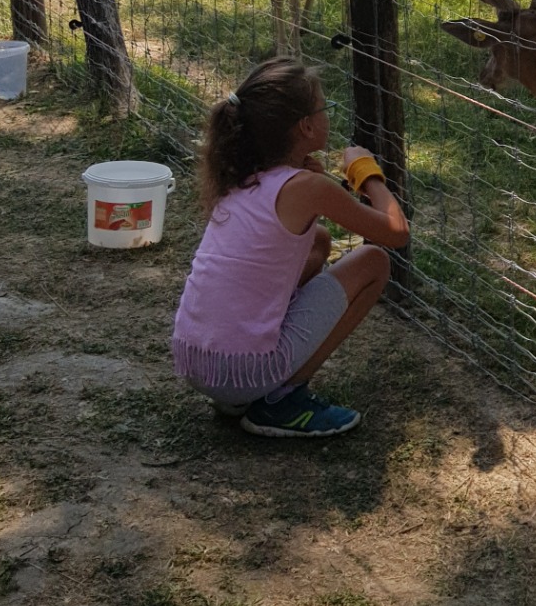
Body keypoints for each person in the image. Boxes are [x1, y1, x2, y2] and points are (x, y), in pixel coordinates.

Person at [173, 58, 409, 438]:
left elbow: (294, 234)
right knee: (374, 262)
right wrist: (366, 173)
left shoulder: (240, 174)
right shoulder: (306, 187)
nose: (328, 116)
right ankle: (283, 399)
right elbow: (396, 231)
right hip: (242, 370)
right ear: (307, 126)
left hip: (194, 358)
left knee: (318, 243)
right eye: (324, 108)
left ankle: (240, 394)